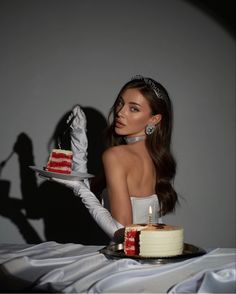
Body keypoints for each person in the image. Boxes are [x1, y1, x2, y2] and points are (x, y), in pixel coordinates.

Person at [52, 75, 178, 242]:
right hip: (155, 252)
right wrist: (79, 140)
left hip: (125, 260)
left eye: (134, 109)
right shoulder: (154, 155)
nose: (120, 112)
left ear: (154, 119)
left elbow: (123, 233)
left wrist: (79, 188)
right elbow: (94, 192)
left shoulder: (116, 156)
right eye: (120, 103)